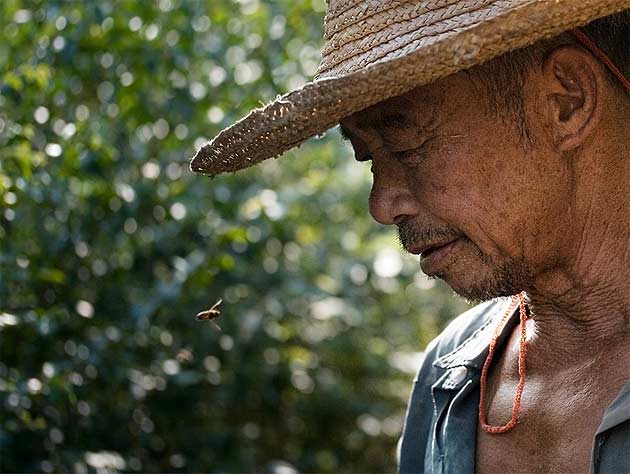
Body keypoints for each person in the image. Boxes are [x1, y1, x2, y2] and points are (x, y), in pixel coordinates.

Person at [191, 1, 629, 472]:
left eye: (406, 144)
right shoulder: (449, 374)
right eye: (370, 158)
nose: (382, 205)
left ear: (566, 100)